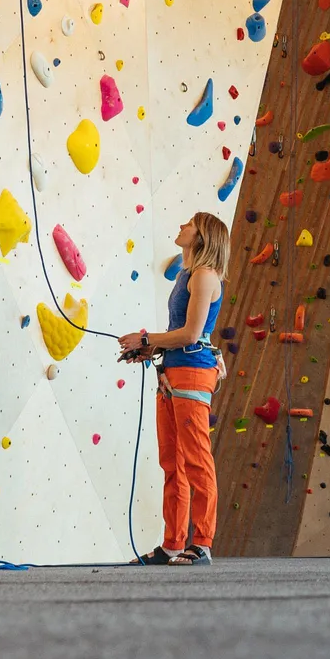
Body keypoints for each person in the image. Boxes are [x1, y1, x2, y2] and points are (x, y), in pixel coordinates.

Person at [118, 212, 228, 565]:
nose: (181, 226)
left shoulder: (205, 276)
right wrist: (150, 349)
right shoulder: (187, 274)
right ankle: (173, 543)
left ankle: (203, 543)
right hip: (174, 372)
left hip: (193, 375)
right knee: (173, 463)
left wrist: (148, 338)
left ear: (203, 236)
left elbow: (192, 334)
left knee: (197, 461)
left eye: (189, 224)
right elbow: (181, 333)